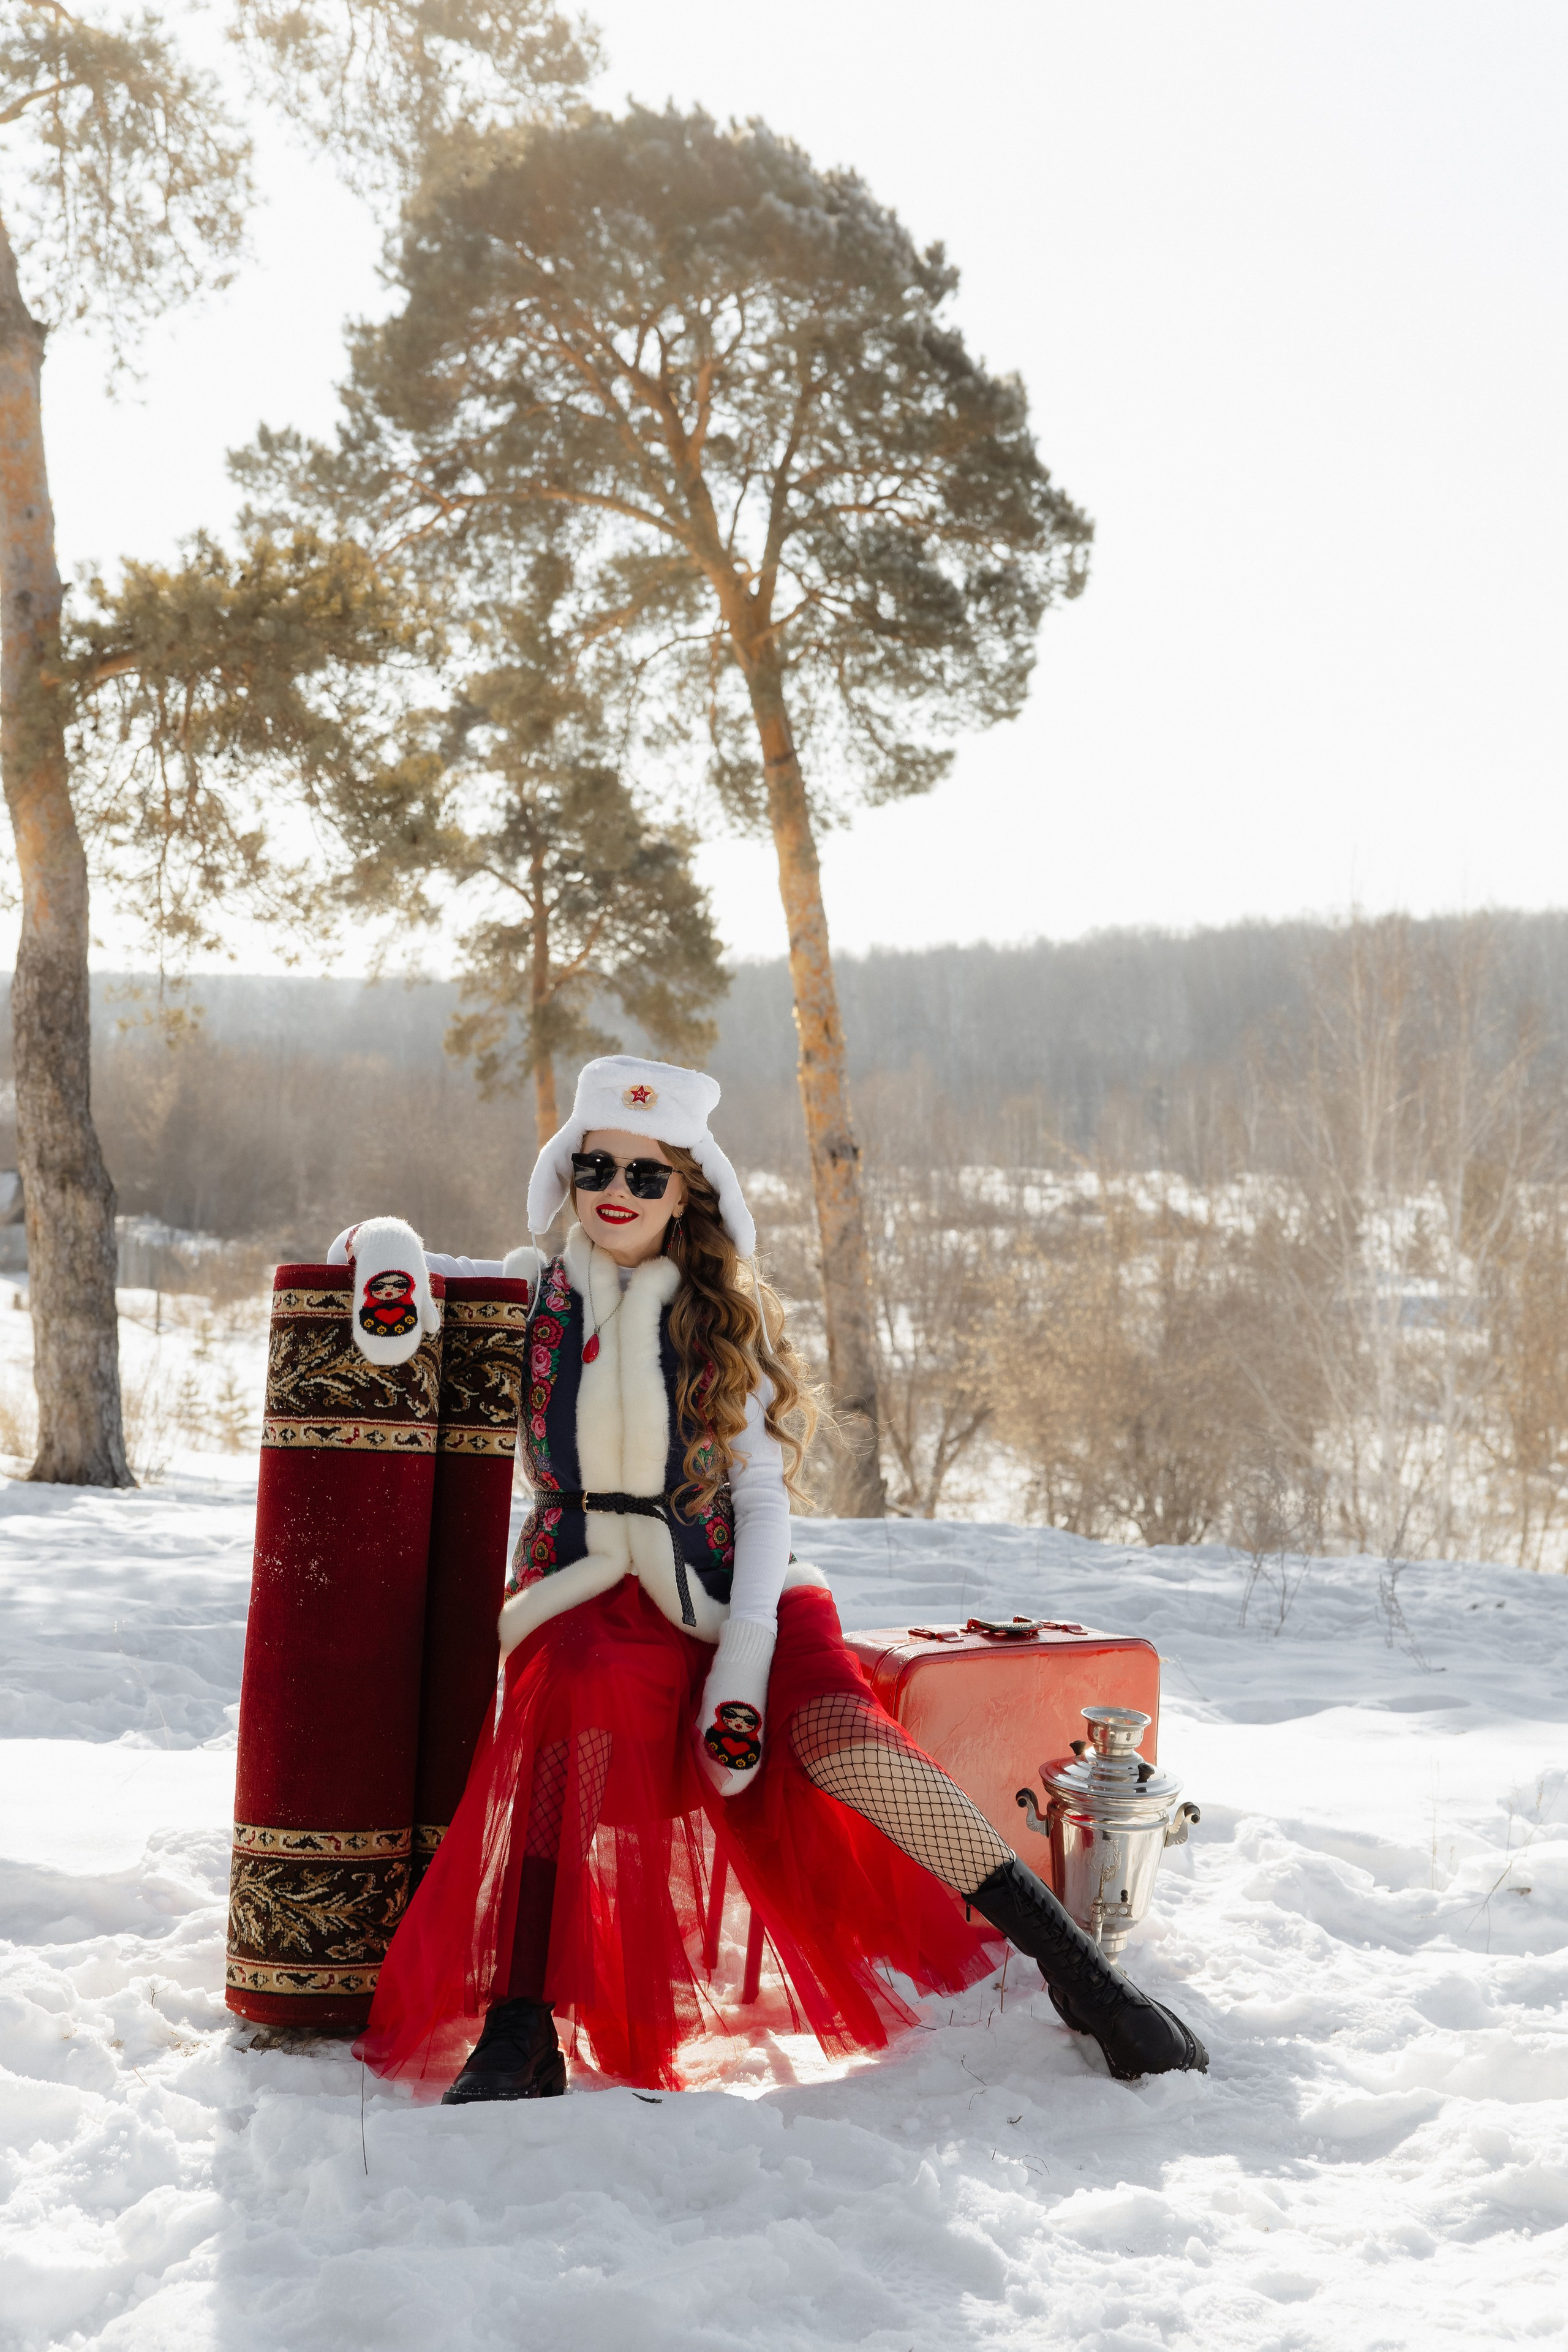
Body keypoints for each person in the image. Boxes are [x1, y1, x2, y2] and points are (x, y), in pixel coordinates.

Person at [355, 1055, 1208, 2101]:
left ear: (690, 1194)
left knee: (844, 1742)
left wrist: (744, 1661)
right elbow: (389, 1263)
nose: (616, 1192)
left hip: (740, 1592)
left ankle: (1077, 1972)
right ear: (564, 1178)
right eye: (594, 1168)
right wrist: (384, 1249)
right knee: (564, 1700)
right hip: (582, 1589)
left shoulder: (728, 1322)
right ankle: (523, 2025)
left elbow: (760, 1501)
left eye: (647, 1175)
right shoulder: (528, 1294)